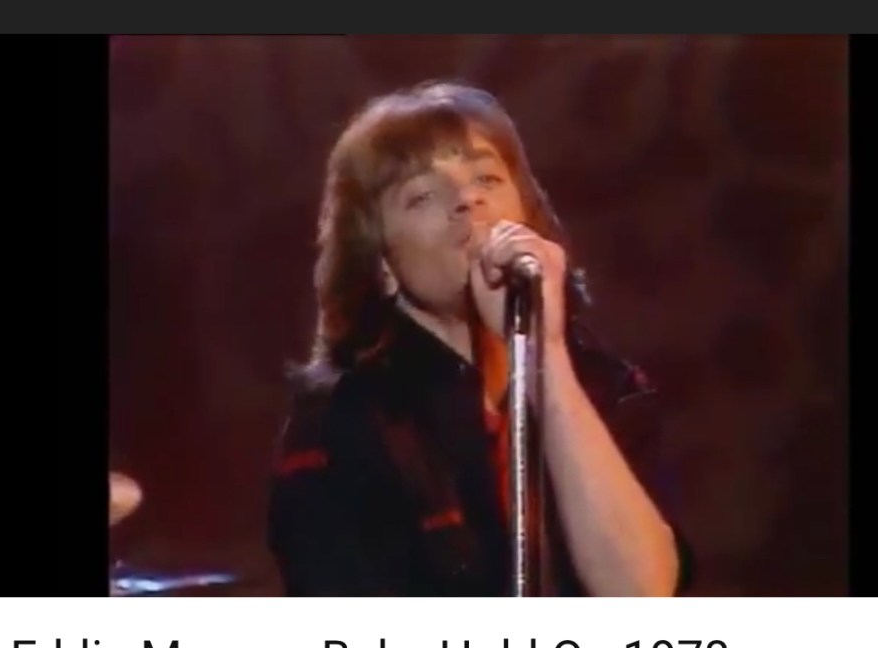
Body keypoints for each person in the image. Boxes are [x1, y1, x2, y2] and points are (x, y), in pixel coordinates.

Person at [266, 80, 693, 596]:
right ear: (381, 262)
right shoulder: (342, 417)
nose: (468, 200)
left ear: (527, 216)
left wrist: (545, 355)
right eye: (422, 195)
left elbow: (643, 593)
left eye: (487, 177)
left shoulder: (605, 386)